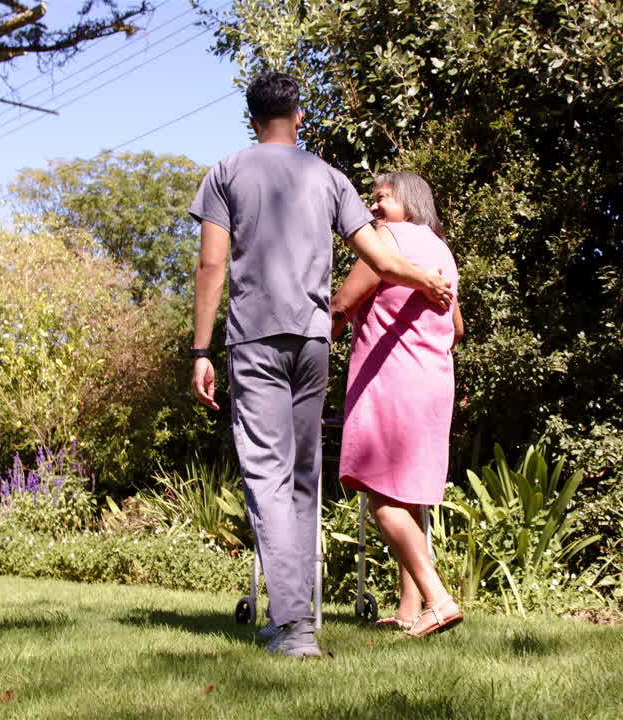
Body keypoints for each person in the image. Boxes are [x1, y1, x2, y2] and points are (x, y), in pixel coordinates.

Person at [188, 73, 453, 658]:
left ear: (252, 120)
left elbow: (212, 266)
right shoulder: (328, 177)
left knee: (266, 474)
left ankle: (293, 628)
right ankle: (295, 618)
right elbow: (380, 255)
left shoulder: (226, 172)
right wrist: (422, 277)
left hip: (256, 337)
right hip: (312, 342)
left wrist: (201, 350)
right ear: (299, 116)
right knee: (302, 476)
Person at [331, 171, 464, 638]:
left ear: (408, 200)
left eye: (382, 199)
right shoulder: (441, 250)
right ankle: (411, 610)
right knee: (408, 497)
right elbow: (458, 328)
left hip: (391, 381)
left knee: (380, 498)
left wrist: (307, 353)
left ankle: (438, 598)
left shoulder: (385, 240)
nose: (374, 208)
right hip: (433, 384)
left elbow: (343, 305)